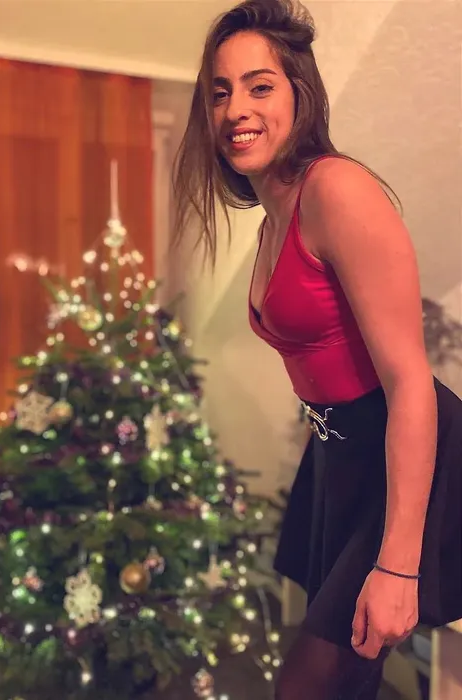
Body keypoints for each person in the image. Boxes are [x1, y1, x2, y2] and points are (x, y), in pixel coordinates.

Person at [172, 0, 462, 698]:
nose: (236, 109)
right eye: (220, 92)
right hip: (340, 454)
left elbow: (409, 381)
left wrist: (398, 565)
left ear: (300, 95)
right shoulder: (274, 216)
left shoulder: (337, 190)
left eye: (259, 86)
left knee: (308, 684)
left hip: (404, 449)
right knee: (347, 678)